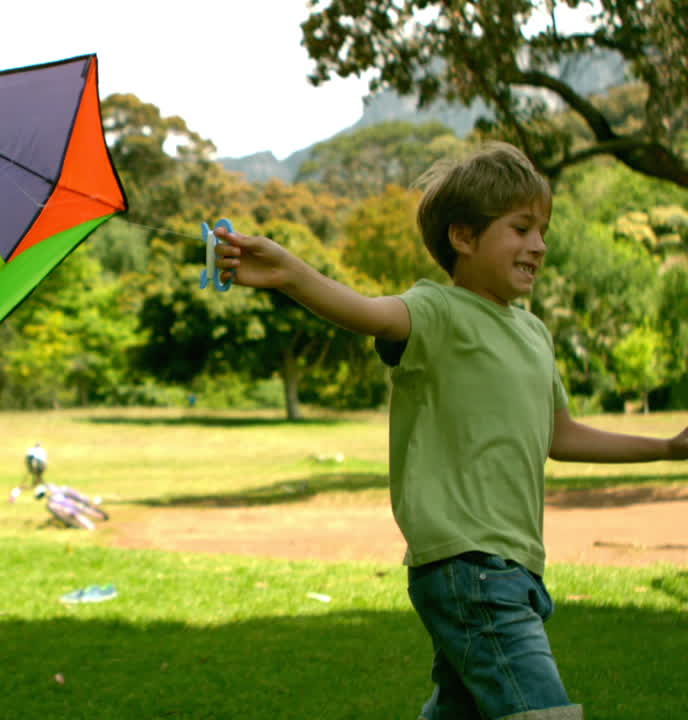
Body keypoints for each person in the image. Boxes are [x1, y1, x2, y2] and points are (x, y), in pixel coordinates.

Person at [213, 141, 688, 720]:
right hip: (470, 566)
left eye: (543, 230)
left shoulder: (535, 334)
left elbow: (559, 435)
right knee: (542, 710)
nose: (538, 245)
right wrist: (292, 274)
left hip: (515, 566)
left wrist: (667, 448)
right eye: (520, 228)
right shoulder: (436, 311)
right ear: (463, 237)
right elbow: (365, 311)